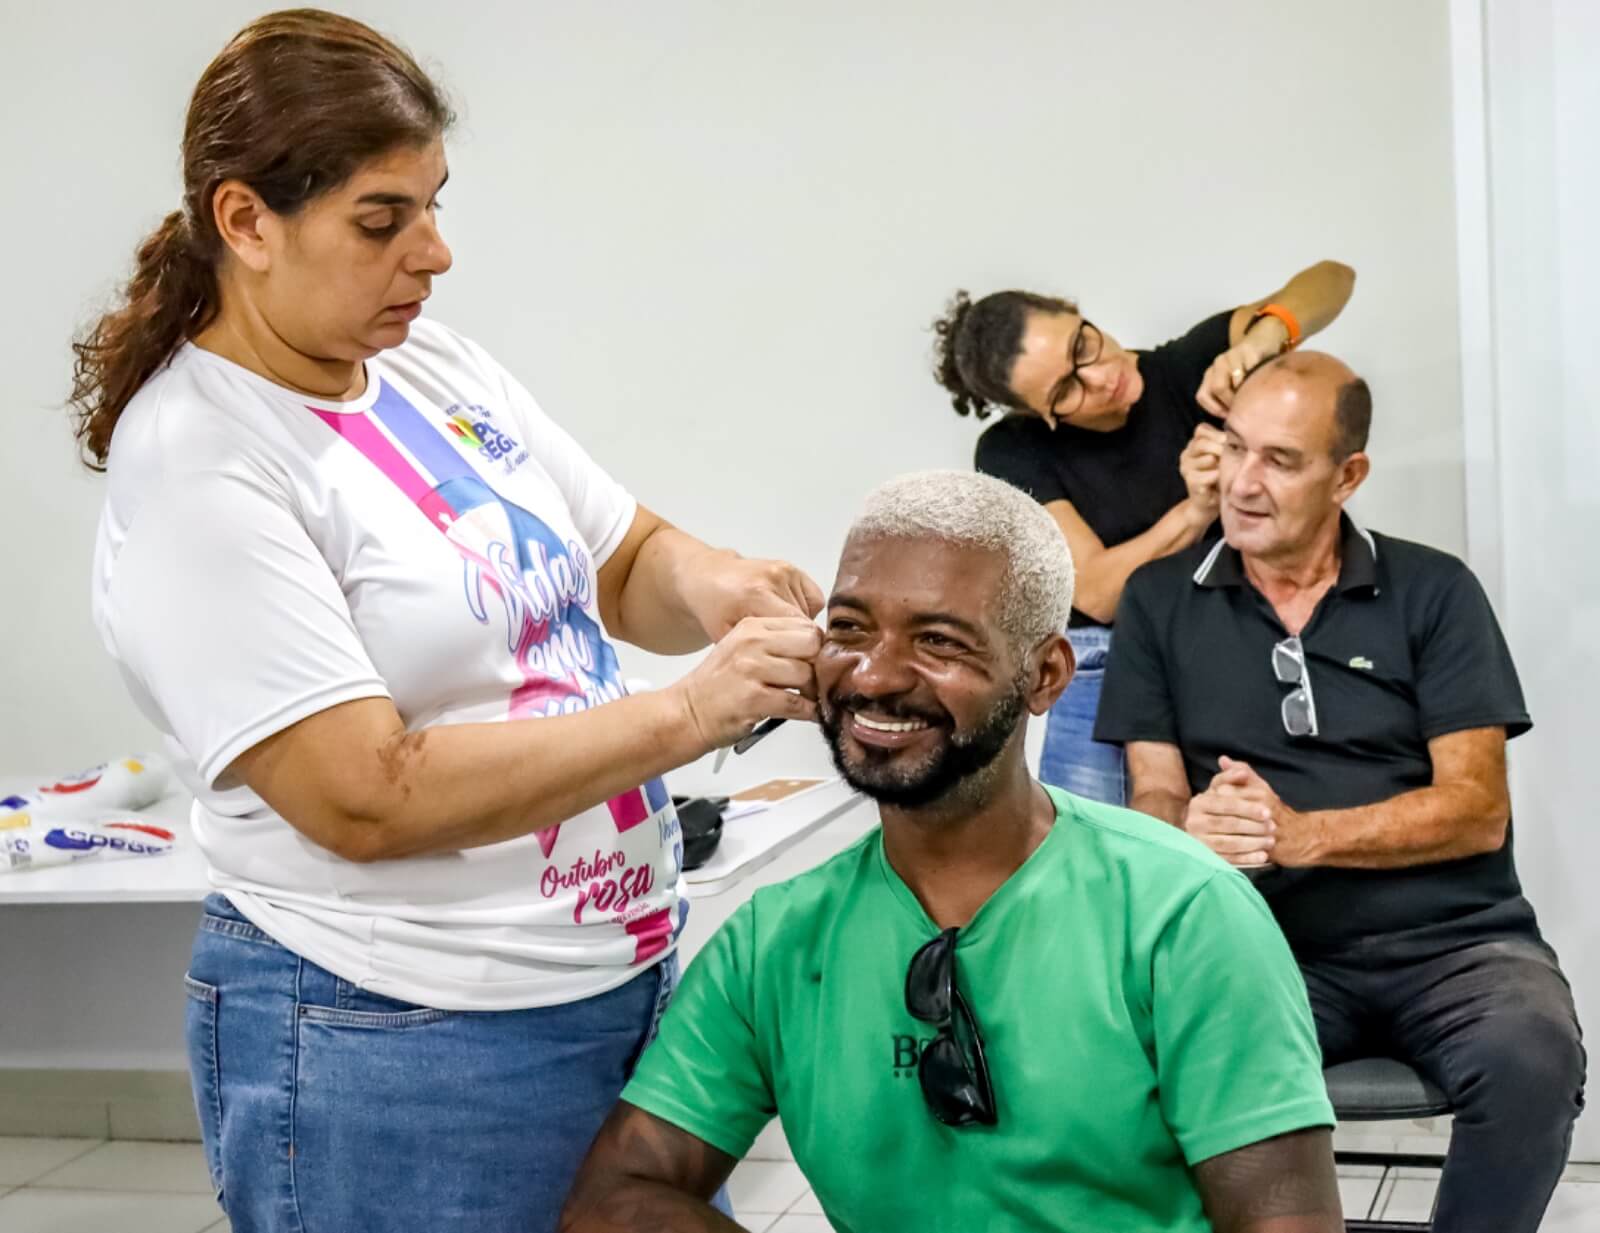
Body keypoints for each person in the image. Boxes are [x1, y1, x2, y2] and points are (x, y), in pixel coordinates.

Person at [74, 12, 820, 1233]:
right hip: (403, 1038)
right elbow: (367, 796)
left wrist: (719, 584)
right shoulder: (204, 465)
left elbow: (621, 559)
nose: (435, 254)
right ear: (246, 222)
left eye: (434, 204)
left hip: (610, 986)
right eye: (383, 220)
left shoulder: (433, 368)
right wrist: (687, 713)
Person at [559, 471, 1342, 1233]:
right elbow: (615, 1199)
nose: (875, 674)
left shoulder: (1183, 915)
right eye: (849, 628)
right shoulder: (776, 943)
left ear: (1044, 675)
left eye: (938, 640)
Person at [1096, 351, 1586, 1233]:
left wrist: (1301, 835)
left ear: (1347, 475)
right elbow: (1152, 794)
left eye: (1280, 460)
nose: (1243, 483)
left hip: (1458, 945)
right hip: (1259, 946)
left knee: (1533, 1057)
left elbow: (1477, 807)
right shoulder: (1158, 601)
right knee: (1146, 1065)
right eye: (1235, 448)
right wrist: (1187, 826)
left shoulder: (1434, 589)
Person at [933, 260, 1355, 804]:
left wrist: (1263, 338)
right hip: (1100, 655)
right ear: (1039, 416)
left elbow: (1333, 279)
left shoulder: (1186, 367)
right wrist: (1195, 511)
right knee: (1091, 847)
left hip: (1221, 634)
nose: (1101, 377)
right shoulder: (1012, 451)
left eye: (1082, 347)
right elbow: (1098, 594)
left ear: (1076, 313)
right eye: (1066, 391)